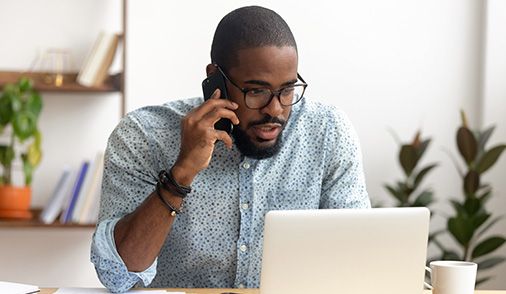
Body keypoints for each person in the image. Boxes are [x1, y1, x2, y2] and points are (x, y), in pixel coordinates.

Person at [91, 5, 370, 293]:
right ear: (216, 79)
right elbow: (118, 275)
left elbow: (358, 259)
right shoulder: (144, 135)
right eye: (257, 91)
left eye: (287, 89)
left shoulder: (327, 131)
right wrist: (182, 173)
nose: (275, 109)